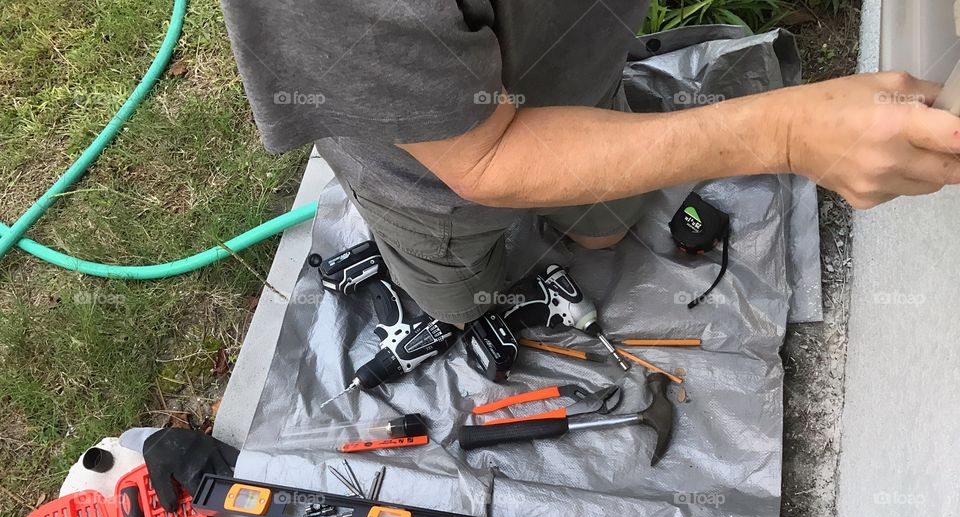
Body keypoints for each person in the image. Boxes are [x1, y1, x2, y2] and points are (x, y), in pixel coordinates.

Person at [219, 1, 960, 325]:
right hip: (432, 186)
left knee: (606, 227)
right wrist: (787, 136)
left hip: (586, 78)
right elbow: (485, 158)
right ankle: (457, 294)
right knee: (459, 297)